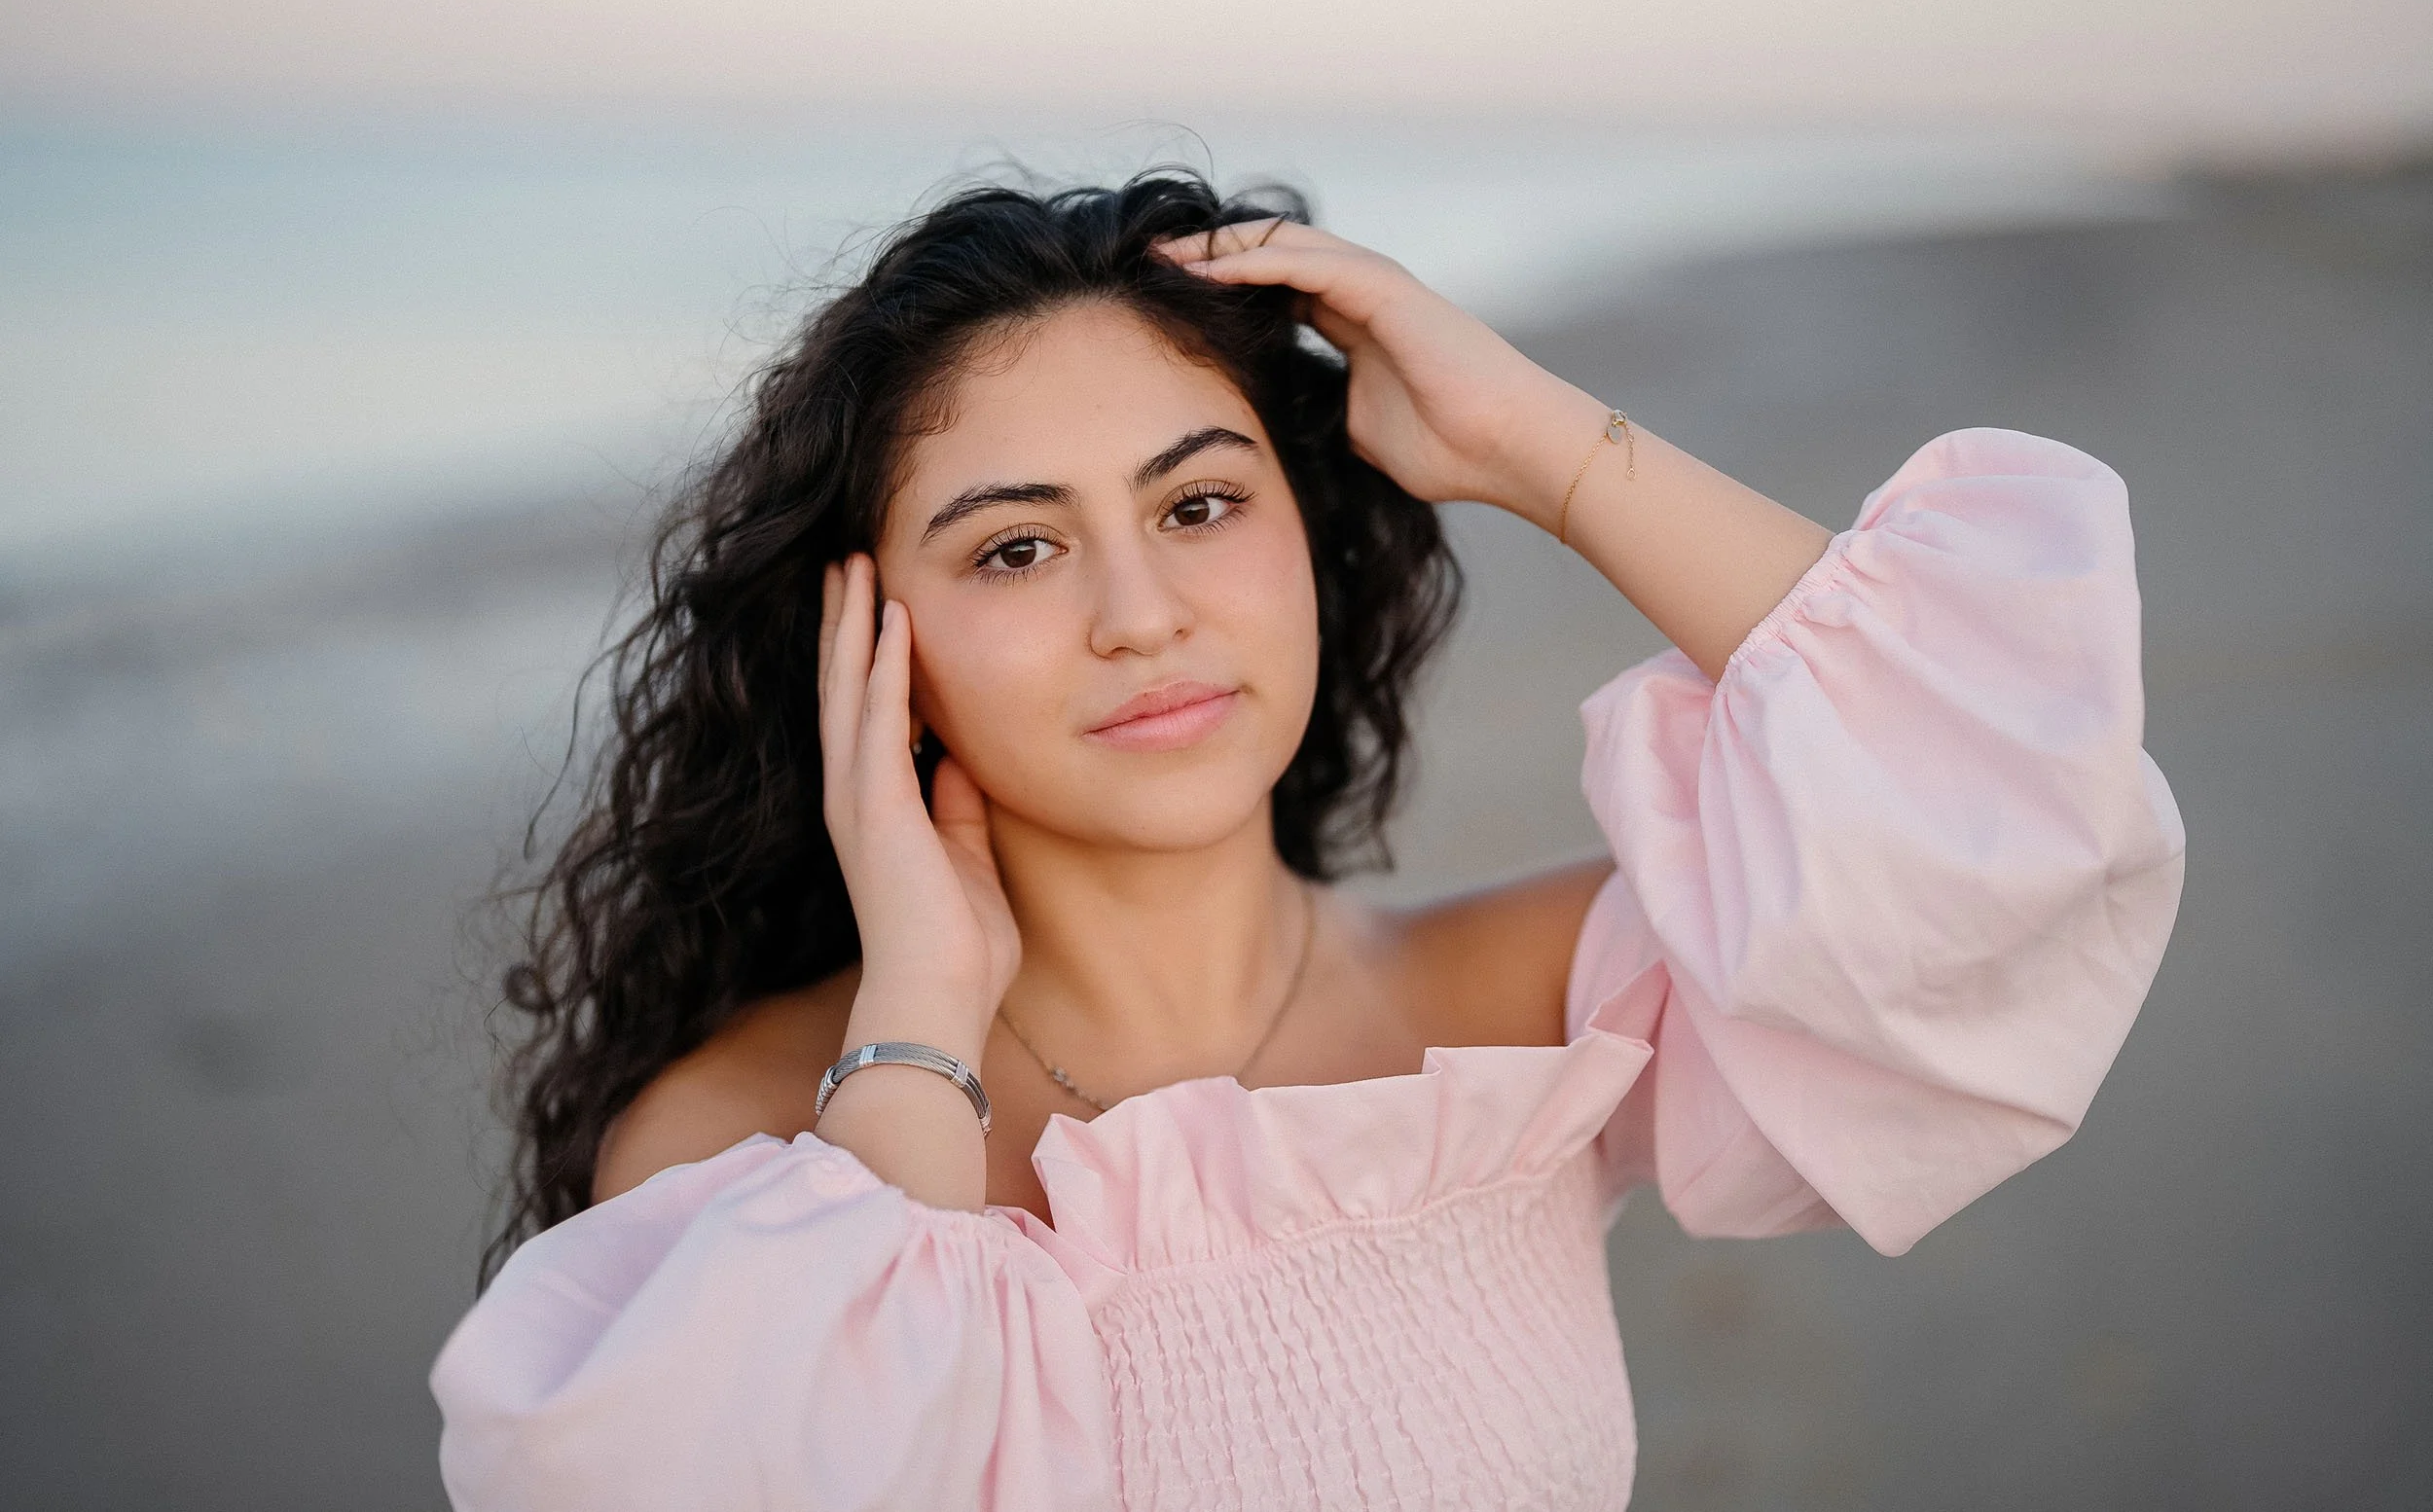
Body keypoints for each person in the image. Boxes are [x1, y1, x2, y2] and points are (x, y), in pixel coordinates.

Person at [431, 171, 2186, 1509]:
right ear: (867, 644)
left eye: (1201, 504)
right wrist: (917, 1029)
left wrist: (1535, 443)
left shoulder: (1524, 1010)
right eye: (1016, 549)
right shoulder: (748, 1155)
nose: (1143, 614)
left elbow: (2007, 827)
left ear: (1307, 539)